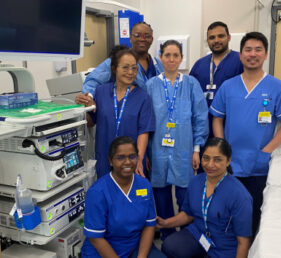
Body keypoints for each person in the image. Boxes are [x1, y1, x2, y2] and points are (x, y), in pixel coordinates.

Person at [210, 32, 281, 237]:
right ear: (241, 55)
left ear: (265, 54)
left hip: (259, 165)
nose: (252, 54)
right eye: (248, 50)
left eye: (258, 50)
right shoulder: (228, 86)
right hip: (230, 165)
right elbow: (217, 118)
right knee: (228, 212)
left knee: (255, 214)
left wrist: (267, 151)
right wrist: (222, 146)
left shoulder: (277, 86)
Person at [146, 40, 208, 240]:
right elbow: (146, 121)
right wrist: (146, 153)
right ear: (161, 57)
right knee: (161, 199)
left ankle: (189, 238)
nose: (171, 59)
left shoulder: (191, 84)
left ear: (181, 58)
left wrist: (197, 149)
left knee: (186, 197)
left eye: (175, 55)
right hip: (157, 151)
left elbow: (200, 117)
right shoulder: (151, 85)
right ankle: (168, 238)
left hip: (184, 150)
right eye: (167, 55)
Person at [158, 137, 252, 258]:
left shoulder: (240, 195)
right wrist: (165, 223)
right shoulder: (195, 181)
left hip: (223, 247)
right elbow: (188, 215)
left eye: (217, 160)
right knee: (169, 246)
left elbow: (243, 241)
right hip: (199, 235)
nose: (210, 164)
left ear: (228, 161)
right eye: (206, 158)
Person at [75, 46, 155, 178]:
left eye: (134, 68)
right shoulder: (100, 92)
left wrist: (139, 159)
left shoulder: (143, 97)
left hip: (131, 160)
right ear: (114, 68)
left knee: (132, 195)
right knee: (107, 194)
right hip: (105, 158)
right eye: (125, 67)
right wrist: (83, 107)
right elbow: (90, 123)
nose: (130, 72)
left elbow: (144, 132)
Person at [81, 136, 166, 258]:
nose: (127, 162)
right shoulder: (97, 192)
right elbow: (95, 239)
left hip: (134, 246)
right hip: (102, 251)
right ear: (110, 161)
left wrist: (141, 257)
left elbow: (149, 225)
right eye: (120, 157)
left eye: (132, 156)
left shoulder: (144, 185)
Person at [80, 21, 163, 98]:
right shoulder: (118, 60)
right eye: (137, 35)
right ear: (130, 38)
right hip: (128, 110)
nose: (142, 39)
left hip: (151, 111)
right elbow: (93, 81)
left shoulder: (158, 65)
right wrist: (89, 97)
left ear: (152, 39)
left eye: (147, 36)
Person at [190, 21, 243, 138]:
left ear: (229, 37)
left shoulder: (240, 60)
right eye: (212, 37)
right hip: (203, 126)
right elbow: (188, 95)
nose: (216, 40)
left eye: (221, 36)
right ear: (207, 41)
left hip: (230, 124)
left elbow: (257, 86)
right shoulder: (199, 65)